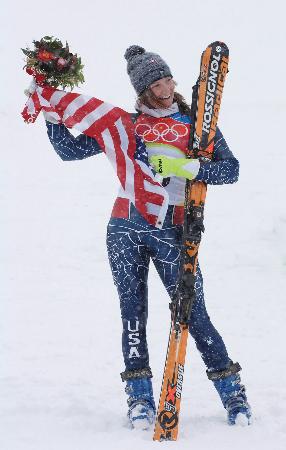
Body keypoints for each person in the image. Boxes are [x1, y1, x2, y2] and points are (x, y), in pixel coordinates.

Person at [45, 45, 251, 430]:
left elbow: (231, 170)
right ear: (143, 89)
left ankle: (232, 390)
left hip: (173, 226)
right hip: (125, 224)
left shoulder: (194, 125)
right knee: (132, 313)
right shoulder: (123, 126)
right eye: (158, 83)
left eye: (169, 79)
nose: (167, 87)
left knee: (193, 313)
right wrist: (50, 107)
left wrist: (180, 166)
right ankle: (139, 397)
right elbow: (69, 151)